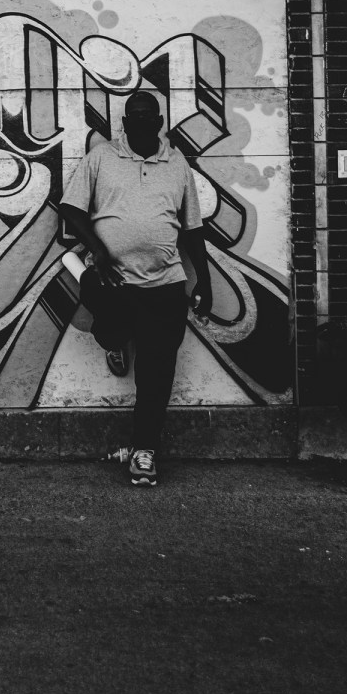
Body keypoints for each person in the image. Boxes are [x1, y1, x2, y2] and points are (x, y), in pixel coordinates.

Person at [58, 90, 213, 487]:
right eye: (134, 116)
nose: (141, 121)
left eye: (148, 115)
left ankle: (144, 451)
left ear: (159, 121)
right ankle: (114, 337)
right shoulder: (102, 158)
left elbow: (193, 228)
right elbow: (71, 208)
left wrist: (204, 281)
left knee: (157, 373)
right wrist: (99, 251)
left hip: (165, 285)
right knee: (95, 289)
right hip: (114, 280)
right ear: (124, 123)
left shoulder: (177, 164)